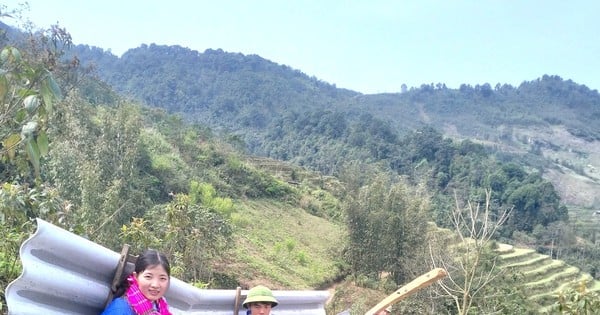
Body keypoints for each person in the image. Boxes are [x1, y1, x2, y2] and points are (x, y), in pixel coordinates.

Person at [101, 249, 172, 315]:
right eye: (148, 277)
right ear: (136, 276)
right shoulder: (120, 309)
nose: (155, 285)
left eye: (162, 278)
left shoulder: (160, 306)